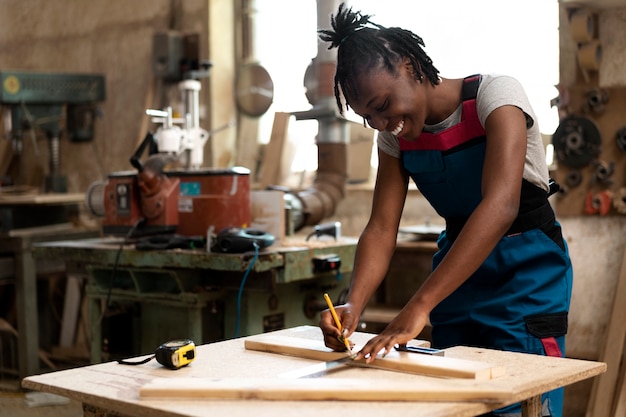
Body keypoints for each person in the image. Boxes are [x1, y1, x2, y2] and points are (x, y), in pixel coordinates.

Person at [317, 3, 573, 417]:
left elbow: (501, 205)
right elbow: (382, 228)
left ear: (408, 64)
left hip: (525, 277)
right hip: (456, 278)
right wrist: (354, 305)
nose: (382, 123)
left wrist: (418, 306)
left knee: (517, 399)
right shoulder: (395, 140)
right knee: (453, 401)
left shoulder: (496, 96)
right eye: (369, 117)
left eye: (383, 104)